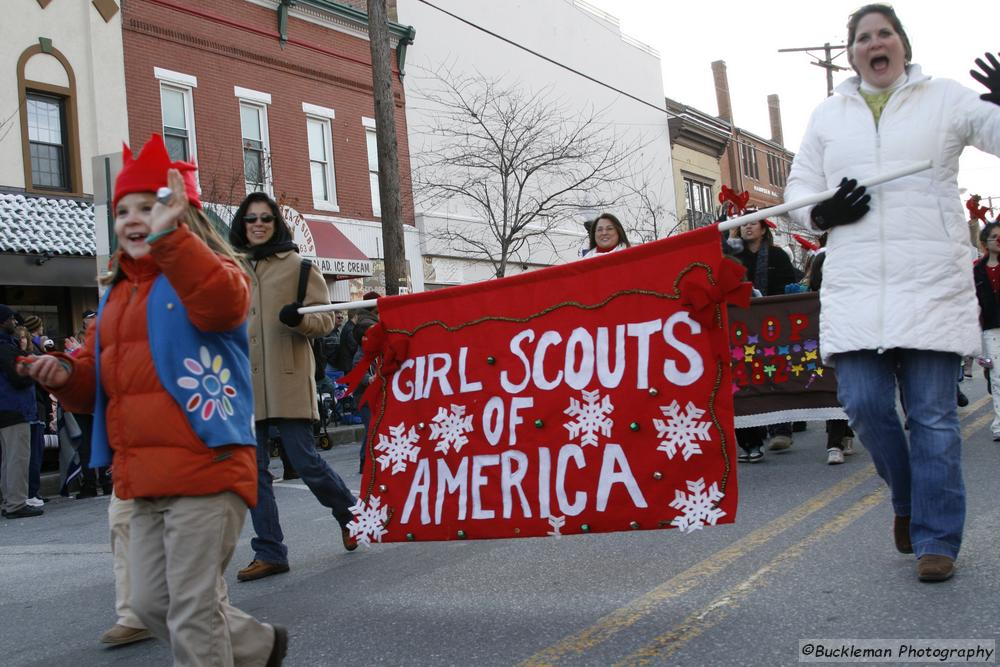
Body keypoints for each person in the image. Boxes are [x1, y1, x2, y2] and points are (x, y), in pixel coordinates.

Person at [18, 134, 287, 663]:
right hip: (140, 476)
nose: (134, 218)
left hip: (207, 467)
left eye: (150, 205)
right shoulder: (117, 293)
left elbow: (221, 304)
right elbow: (95, 383)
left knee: (190, 611)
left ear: (183, 212)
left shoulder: (212, 271)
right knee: (147, 602)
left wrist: (172, 240)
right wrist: (63, 374)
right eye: (124, 210)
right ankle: (257, 645)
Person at [784, 4, 1000, 582]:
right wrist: (819, 211)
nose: (874, 44)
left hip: (930, 283)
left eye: (885, 34)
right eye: (863, 38)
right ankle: (907, 501)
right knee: (864, 404)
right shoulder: (828, 115)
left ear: (903, 45)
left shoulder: (947, 98)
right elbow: (799, 189)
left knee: (932, 417)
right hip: (856, 288)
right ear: (852, 52)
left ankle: (937, 539)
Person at [228, 191, 358, 583]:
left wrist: (299, 320)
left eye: (265, 218)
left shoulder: (300, 267)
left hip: (287, 379)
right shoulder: (230, 268)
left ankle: (351, 515)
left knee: (305, 462)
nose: (258, 225)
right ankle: (270, 551)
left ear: (276, 223)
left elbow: (327, 320)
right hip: (245, 385)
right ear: (242, 224)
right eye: (251, 219)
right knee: (253, 473)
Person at [729, 217, 800, 460]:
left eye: (753, 223)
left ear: (763, 229)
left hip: (773, 323)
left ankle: (781, 429)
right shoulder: (734, 256)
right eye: (744, 224)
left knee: (775, 372)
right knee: (747, 377)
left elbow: (789, 286)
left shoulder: (777, 256)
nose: (748, 227)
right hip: (743, 324)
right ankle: (753, 437)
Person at [0, 305, 42, 519]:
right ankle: (16, 504)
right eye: (11, 320)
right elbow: (19, 377)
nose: (15, 323)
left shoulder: (7, 345)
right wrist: (34, 369)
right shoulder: (5, 347)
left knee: (8, 459)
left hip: (5, 409)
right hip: (15, 408)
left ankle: (9, 501)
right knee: (18, 457)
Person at [974, 222, 1000, 440]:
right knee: (998, 377)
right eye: (994, 237)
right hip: (991, 328)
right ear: (985, 242)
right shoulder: (977, 269)